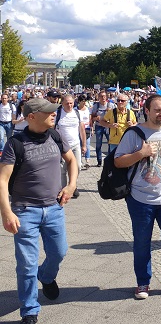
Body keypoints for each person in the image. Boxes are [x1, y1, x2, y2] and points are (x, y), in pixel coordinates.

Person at [0, 98, 79, 323]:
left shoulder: (55, 136)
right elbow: (2, 180)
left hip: (54, 208)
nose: (55, 114)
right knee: (26, 263)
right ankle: (30, 310)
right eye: (49, 112)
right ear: (31, 117)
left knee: (59, 252)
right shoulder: (15, 143)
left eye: (54, 111)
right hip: (25, 211)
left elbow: (72, 160)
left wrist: (71, 185)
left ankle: (46, 276)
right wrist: (6, 212)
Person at [114, 94, 161, 300]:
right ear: (146, 110)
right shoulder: (134, 134)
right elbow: (118, 162)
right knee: (142, 242)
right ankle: (143, 283)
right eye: (158, 110)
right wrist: (141, 153)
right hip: (141, 199)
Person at [55, 95, 86, 198]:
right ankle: (63, 190)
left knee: (77, 166)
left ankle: (73, 185)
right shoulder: (58, 114)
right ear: (62, 103)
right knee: (62, 169)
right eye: (67, 103)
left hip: (75, 144)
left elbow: (82, 130)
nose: (69, 105)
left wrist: (84, 145)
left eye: (71, 103)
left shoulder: (77, 113)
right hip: (62, 146)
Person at [91, 91, 115, 167]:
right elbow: (92, 118)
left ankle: (108, 160)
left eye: (104, 96)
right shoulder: (96, 106)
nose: (103, 98)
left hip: (108, 126)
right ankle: (99, 161)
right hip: (99, 126)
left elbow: (117, 115)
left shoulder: (111, 105)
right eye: (101, 96)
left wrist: (111, 114)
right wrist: (96, 118)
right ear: (98, 97)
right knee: (98, 144)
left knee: (110, 143)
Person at [77, 95, 92, 169]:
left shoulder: (88, 109)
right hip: (78, 129)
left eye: (85, 101)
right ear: (79, 101)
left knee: (87, 145)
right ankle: (79, 160)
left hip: (87, 129)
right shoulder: (76, 110)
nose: (84, 103)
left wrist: (92, 128)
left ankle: (87, 161)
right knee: (79, 145)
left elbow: (90, 120)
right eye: (82, 101)